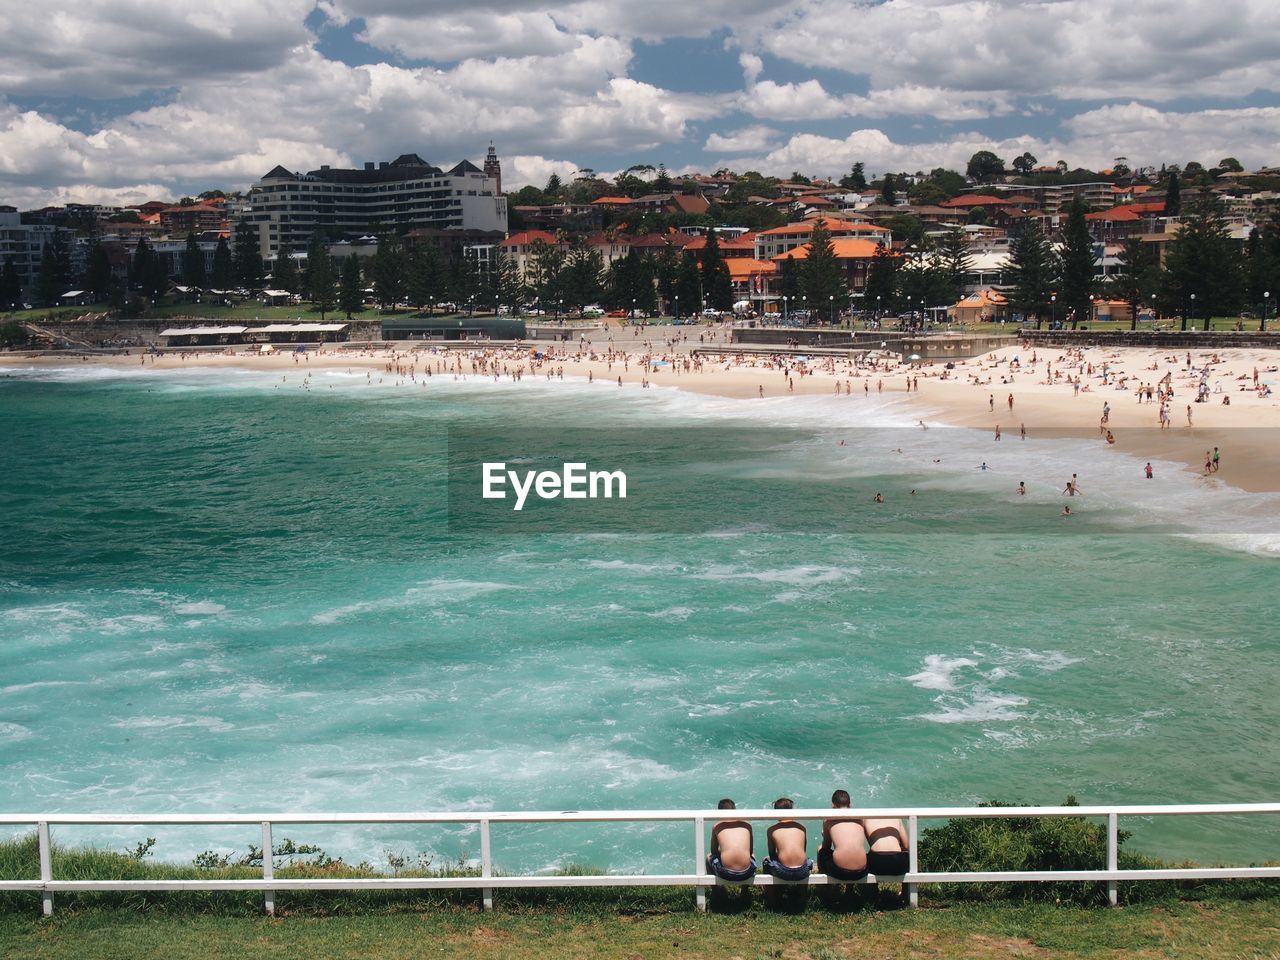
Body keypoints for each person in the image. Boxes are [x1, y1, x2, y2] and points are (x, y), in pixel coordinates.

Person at [818, 789, 868, 882]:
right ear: (850, 804)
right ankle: (850, 890)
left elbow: (826, 846)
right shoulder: (860, 818)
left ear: (833, 805)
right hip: (861, 871)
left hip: (840, 872)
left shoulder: (828, 820)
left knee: (820, 849)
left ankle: (823, 885)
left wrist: (825, 835)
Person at [706, 798, 756, 882]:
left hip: (726, 873)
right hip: (747, 873)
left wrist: (724, 853)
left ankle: (717, 891)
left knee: (708, 857)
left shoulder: (717, 826)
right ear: (735, 810)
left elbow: (713, 851)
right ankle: (745, 892)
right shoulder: (747, 824)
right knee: (752, 856)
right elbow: (750, 851)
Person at [763, 798, 813, 881]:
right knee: (807, 860)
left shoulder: (772, 830)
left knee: (766, 860)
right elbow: (803, 850)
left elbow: (772, 854)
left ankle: (771, 892)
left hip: (783, 872)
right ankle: (803, 892)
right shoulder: (802, 827)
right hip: (803, 871)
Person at [861, 814, 909, 878]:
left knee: (866, 860)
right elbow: (906, 846)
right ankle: (906, 888)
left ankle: (871, 888)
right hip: (898, 862)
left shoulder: (866, 818)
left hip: (877, 861)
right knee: (906, 857)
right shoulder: (896, 818)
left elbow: (870, 844)